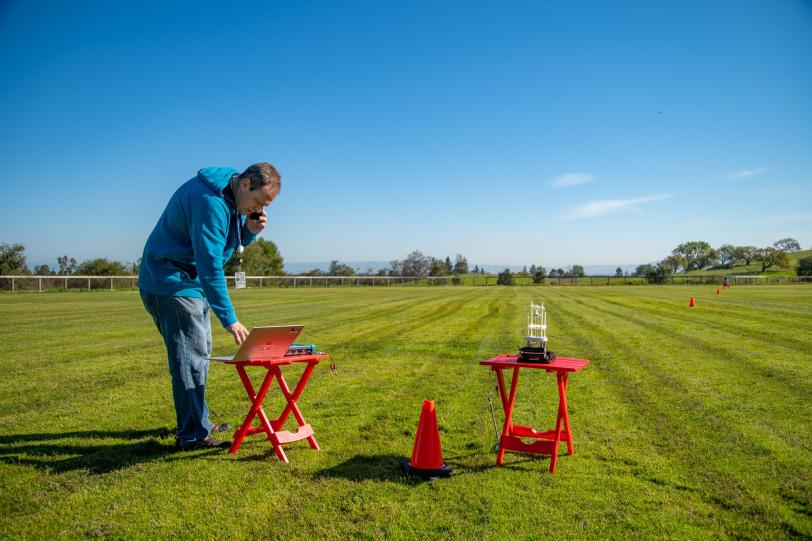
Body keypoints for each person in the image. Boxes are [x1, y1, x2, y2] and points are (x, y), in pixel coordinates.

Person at [138, 163, 281, 450]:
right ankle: (192, 435)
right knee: (189, 358)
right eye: (257, 202)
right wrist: (230, 319)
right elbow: (211, 265)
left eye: (263, 206)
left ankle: (197, 420)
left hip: (189, 282)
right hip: (171, 282)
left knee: (199, 353)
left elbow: (222, 251)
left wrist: (249, 232)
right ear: (244, 184)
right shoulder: (211, 203)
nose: (256, 209)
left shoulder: (228, 195)